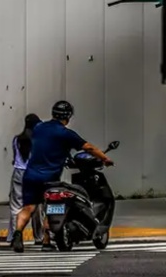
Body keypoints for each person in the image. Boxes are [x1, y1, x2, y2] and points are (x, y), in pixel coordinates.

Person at [11, 100, 114, 253]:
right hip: (49, 178)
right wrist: (105, 159)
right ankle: (46, 242)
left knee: (28, 208)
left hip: (30, 175)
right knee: (50, 208)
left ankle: (17, 235)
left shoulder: (39, 128)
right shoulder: (66, 134)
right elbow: (88, 147)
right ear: (68, 117)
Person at [6, 113, 45, 246]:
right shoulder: (39, 140)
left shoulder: (16, 139)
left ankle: (13, 236)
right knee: (37, 207)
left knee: (15, 206)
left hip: (18, 173)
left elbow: (15, 158)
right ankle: (39, 237)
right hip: (33, 174)